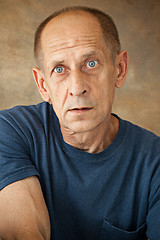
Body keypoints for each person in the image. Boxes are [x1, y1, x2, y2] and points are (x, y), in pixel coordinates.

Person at [0, 6, 159, 240]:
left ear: (120, 69)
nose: (77, 87)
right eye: (59, 69)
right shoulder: (12, 131)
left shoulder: (154, 161)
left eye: (91, 63)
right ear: (43, 85)